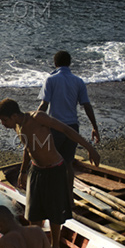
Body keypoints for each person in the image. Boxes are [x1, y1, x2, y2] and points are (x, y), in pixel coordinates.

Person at [0, 98, 100, 248]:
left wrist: (90, 149)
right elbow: (27, 149)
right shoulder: (18, 126)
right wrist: (23, 171)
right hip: (36, 171)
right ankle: (37, 247)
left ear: (14, 115)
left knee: (54, 212)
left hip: (54, 169)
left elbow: (66, 130)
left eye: (4, 120)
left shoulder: (38, 118)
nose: (2, 124)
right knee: (33, 214)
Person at [38, 51, 100, 205]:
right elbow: (87, 105)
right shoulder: (78, 81)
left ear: (55, 63)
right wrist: (94, 127)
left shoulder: (50, 80)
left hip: (55, 127)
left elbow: (44, 105)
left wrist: (34, 123)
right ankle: (69, 197)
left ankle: (51, 197)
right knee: (67, 165)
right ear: (69, 63)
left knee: (50, 163)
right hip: (72, 128)